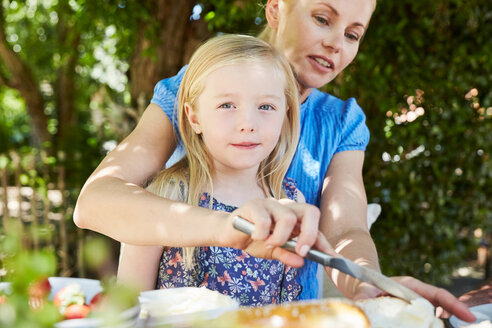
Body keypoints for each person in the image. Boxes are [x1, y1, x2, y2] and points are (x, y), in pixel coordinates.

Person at [74, 0, 475, 321]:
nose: (337, 43)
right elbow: (97, 201)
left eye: (353, 34)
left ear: (285, 118)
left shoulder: (339, 124)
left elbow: (346, 228)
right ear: (275, 9)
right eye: (322, 18)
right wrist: (230, 227)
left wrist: (363, 281)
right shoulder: (196, 84)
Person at [117, 34, 333, 306]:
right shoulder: (165, 196)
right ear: (194, 117)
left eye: (266, 106)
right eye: (227, 105)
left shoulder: (288, 202)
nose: (247, 123)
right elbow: (125, 308)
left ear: (285, 115)